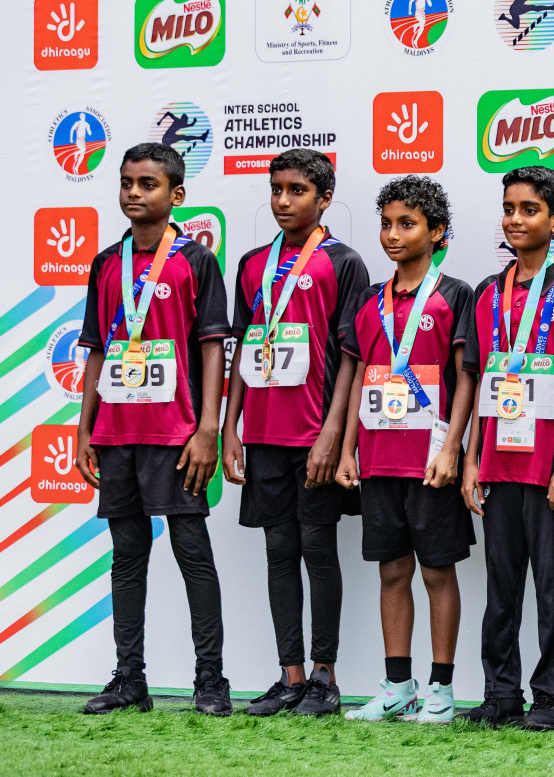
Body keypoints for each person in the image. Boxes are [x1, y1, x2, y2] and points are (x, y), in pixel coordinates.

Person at [74, 143, 231, 716]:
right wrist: (84, 426)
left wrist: (207, 428)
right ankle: (128, 679)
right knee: (127, 555)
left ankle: (211, 681)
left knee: (192, 552)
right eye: (126, 183)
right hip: (117, 433)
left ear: (175, 195)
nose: (134, 193)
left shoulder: (194, 260)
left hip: (176, 433)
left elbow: (213, 346)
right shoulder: (105, 262)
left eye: (147, 184)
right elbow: (95, 349)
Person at [222, 149, 369, 717]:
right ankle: (289, 677)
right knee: (278, 550)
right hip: (261, 434)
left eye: (298, 190)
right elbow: (241, 349)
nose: (284, 200)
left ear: (324, 198)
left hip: (314, 434)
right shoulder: (253, 263)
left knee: (317, 548)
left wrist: (335, 436)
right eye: (277, 188)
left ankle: (324, 677)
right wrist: (231, 429)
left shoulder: (344, 261)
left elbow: (352, 356)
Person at [455, 167, 554, 732]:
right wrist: (469, 458)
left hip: (551, 464)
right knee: (501, 589)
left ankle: (551, 696)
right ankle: (500, 693)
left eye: (529, 209)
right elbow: (476, 377)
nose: (516, 219)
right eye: (509, 208)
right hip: (496, 462)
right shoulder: (489, 291)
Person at [337, 176, 475, 724]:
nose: (392, 235)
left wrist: (453, 448)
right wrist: (348, 450)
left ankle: (441, 689)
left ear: (437, 232)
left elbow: (466, 377)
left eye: (407, 223)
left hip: (430, 462)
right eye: (386, 223)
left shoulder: (455, 294)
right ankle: (398, 685)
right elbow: (357, 378)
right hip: (377, 459)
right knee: (391, 571)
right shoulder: (369, 299)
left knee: (438, 572)